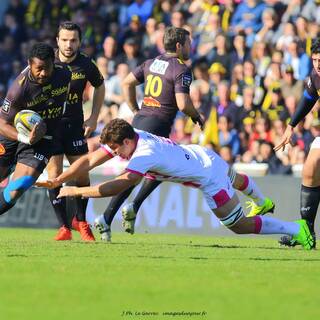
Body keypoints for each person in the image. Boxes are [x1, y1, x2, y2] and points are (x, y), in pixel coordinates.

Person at [43, 119, 313, 250]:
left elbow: (118, 185)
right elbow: (91, 158)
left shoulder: (144, 154)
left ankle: (296, 229)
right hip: (202, 154)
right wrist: (60, 178)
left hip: (208, 179)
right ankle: (262, 200)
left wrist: (75, 190)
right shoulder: (131, 135)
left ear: (126, 143)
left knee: (238, 225)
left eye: (117, 150)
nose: (117, 154)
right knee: (237, 179)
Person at [96, 26, 205, 241]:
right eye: (188, 43)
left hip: (140, 121)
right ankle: (109, 216)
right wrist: (196, 115)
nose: (190, 47)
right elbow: (183, 104)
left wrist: (135, 109)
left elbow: (127, 83)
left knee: (150, 171)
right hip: (158, 127)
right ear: (178, 45)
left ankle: (127, 209)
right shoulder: (181, 69)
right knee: (145, 173)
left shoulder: (151, 63)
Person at [47, 21, 105, 241]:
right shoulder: (47, 60)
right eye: (64, 40)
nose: (69, 44)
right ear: (57, 41)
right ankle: (63, 227)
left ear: (79, 42)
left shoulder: (86, 64)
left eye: (73, 40)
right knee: (54, 175)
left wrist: (94, 116)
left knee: (82, 175)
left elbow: (100, 85)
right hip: (50, 126)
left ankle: (80, 220)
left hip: (74, 126)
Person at [0, 42, 71, 217]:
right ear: (29, 64)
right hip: (13, 135)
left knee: (19, 188)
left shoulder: (64, 75)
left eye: (47, 68)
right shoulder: (18, 89)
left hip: (44, 138)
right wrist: (26, 138)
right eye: (39, 68)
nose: (44, 73)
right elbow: (2, 123)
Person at [275, 38, 320, 249]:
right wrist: (290, 126)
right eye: (314, 60)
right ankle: (306, 231)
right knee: (310, 168)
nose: (318, 64)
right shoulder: (316, 75)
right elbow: (308, 98)